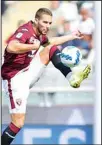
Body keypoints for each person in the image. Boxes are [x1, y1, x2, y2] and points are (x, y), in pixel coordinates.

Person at [1, 8, 91, 145]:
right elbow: (11, 47)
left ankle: (72, 77)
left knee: (51, 47)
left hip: (28, 70)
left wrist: (71, 36)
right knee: (17, 124)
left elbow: (51, 41)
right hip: (14, 80)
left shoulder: (39, 33)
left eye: (50, 23)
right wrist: (31, 46)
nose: (47, 26)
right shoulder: (25, 31)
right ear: (36, 20)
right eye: (45, 22)